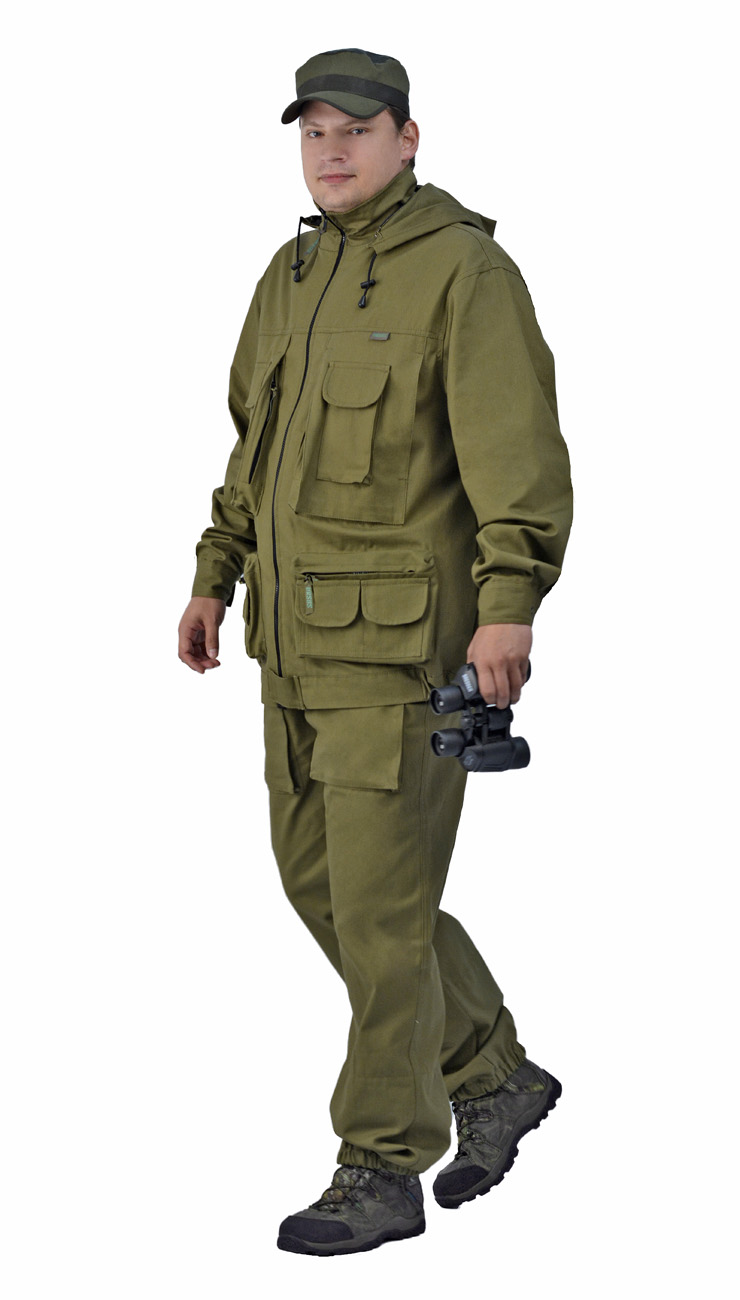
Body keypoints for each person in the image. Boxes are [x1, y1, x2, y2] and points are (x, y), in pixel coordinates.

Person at [178, 47, 573, 1257]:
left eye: (355, 128)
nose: (331, 150)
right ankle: (492, 1070)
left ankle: (382, 1162)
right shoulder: (291, 273)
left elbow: (516, 456)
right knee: (333, 895)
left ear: (408, 138)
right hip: (291, 647)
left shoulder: (464, 272)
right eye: (313, 132)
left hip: (401, 655)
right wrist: (213, 572)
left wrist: (508, 605)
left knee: (382, 914)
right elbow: (252, 450)